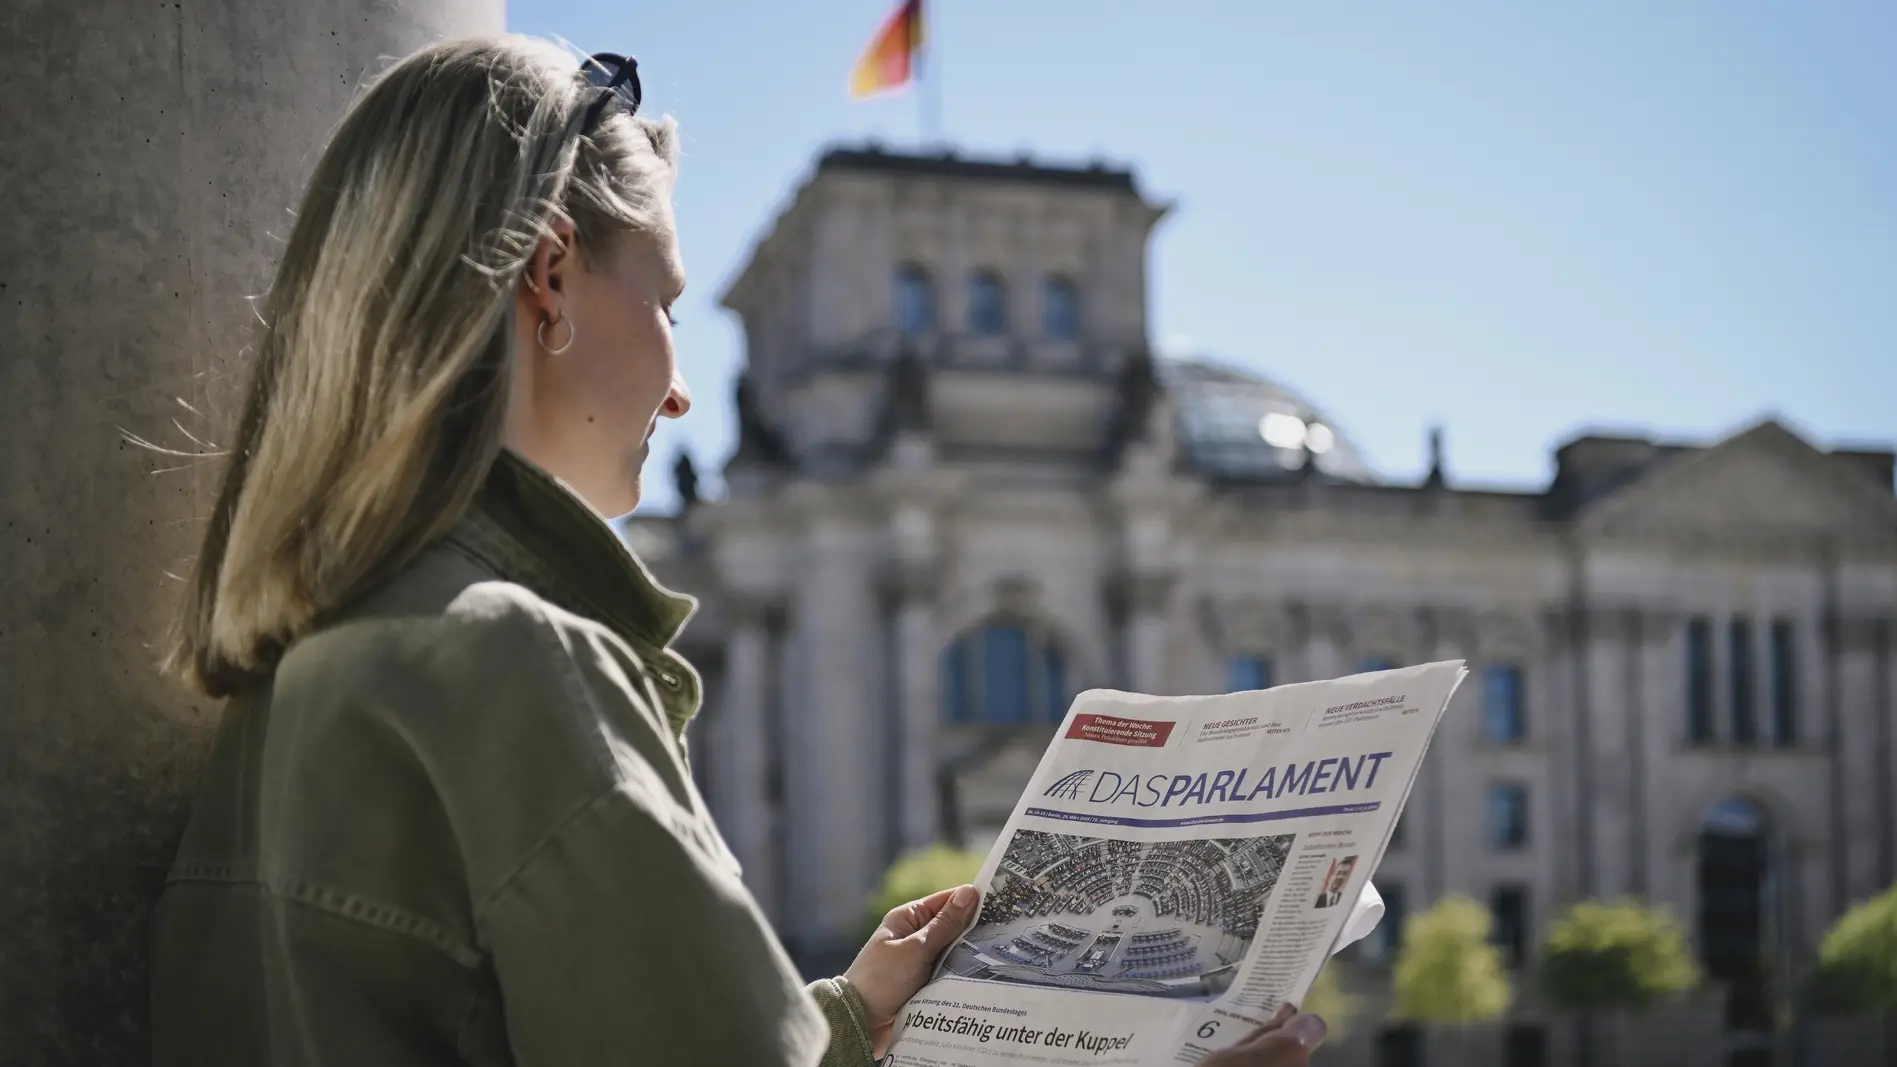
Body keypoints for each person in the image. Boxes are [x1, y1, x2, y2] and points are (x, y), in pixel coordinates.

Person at [148, 35, 1327, 1067]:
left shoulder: (313, 658)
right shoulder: (511, 659)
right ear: (551, 278)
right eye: (663, 301)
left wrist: (848, 1018)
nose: (681, 396)